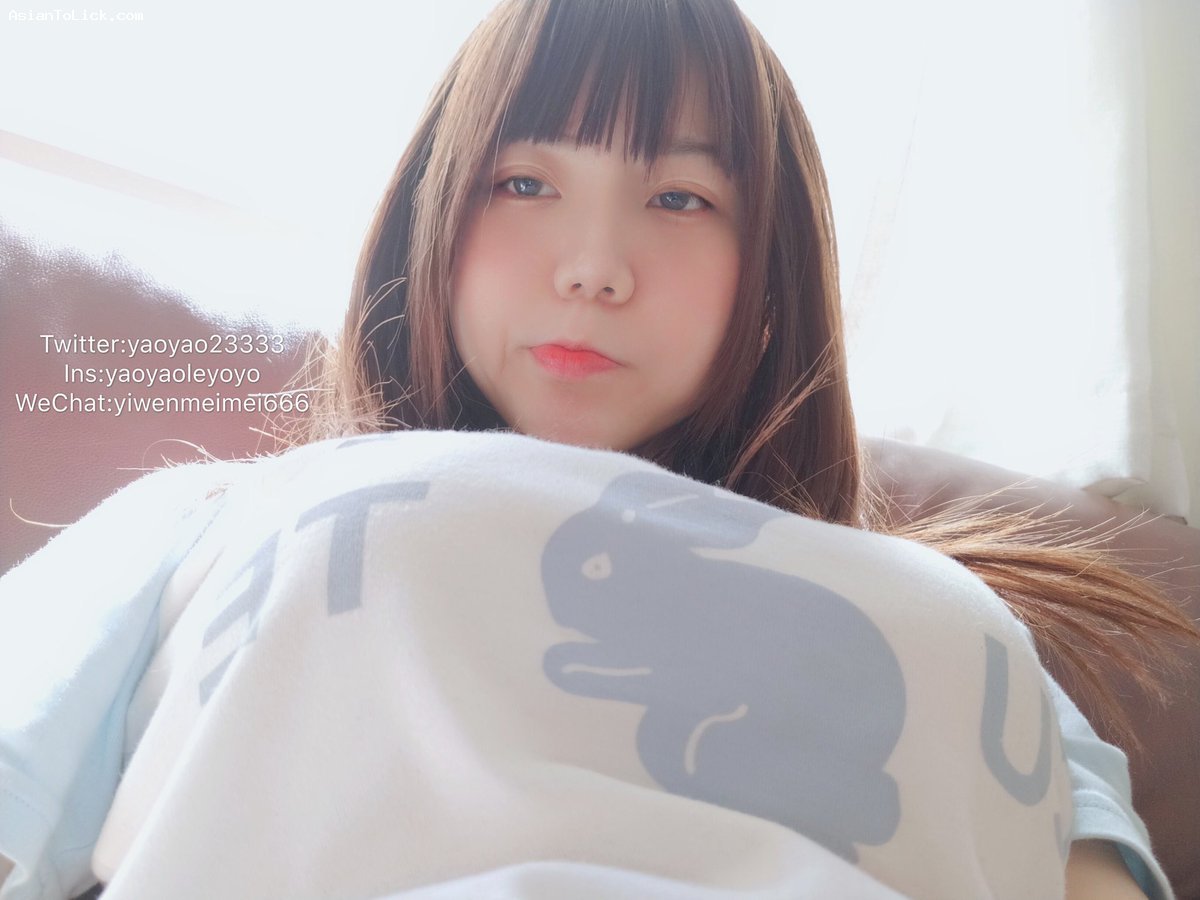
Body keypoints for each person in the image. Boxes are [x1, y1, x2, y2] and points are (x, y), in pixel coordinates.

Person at [1, 0, 1196, 898]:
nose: (594, 266)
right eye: (525, 182)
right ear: (431, 215)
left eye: (680, 199)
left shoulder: (957, 618)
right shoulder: (211, 515)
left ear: (770, 273)